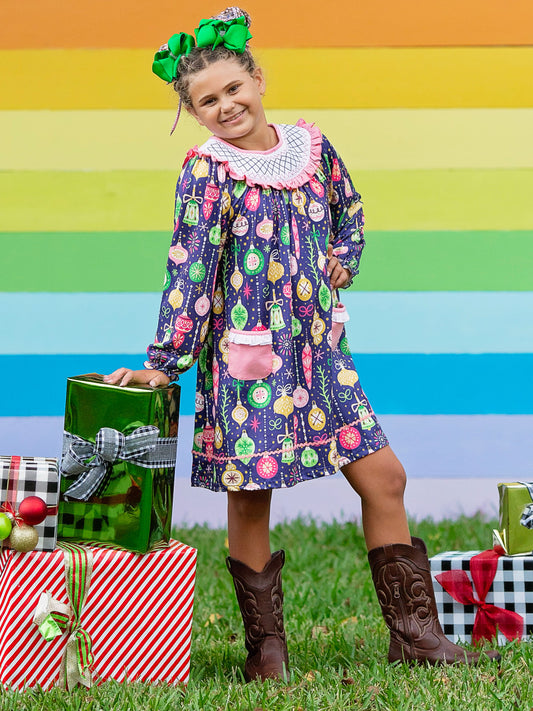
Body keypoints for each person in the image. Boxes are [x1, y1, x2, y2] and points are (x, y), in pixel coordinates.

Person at [105, 7, 499, 681]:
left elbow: (351, 212)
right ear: (194, 113)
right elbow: (190, 268)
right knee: (251, 494)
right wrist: (162, 363)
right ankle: (266, 651)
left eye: (234, 89)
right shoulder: (206, 172)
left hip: (320, 357)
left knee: (385, 477)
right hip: (248, 360)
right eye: (207, 100)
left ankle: (414, 635)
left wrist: (344, 256)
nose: (225, 105)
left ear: (257, 79)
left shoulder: (311, 148)